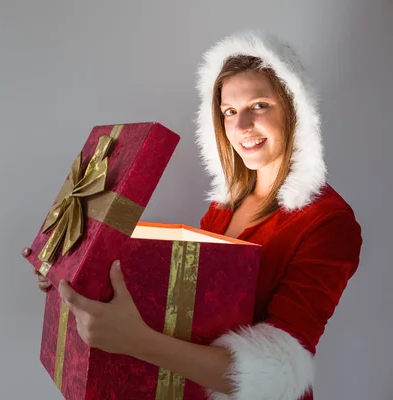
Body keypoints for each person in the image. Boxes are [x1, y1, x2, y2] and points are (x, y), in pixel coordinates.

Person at [21, 30, 363, 400]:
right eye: (229, 112)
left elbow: (278, 373)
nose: (242, 125)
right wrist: (79, 271)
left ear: (296, 109)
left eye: (260, 105)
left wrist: (135, 341)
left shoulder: (329, 223)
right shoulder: (223, 206)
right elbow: (185, 300)